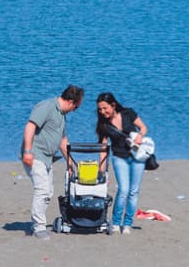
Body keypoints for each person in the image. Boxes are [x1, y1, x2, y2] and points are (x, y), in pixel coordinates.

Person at [21, 84, 84, 240]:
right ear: (71, 101)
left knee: (48, 192)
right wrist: (28, 151)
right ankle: (39, 227)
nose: (75, 110)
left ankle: (36, 223)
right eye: (76, 107)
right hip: (35, 154)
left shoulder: (61, 115)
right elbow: (30, 126)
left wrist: (70, 162)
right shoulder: (47, 106)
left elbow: (62, 140)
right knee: (42, 189)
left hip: (48, 158)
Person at [96, 92, 149, 234]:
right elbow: (103, 147)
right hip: (119, 158)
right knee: (123, 190)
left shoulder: (128, 113)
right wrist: (102, 170)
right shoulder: (103, 124)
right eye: (100, 109)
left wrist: (140, 135)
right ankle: (115, 222)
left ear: (113, 105)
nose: (102, 112)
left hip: (136, 156)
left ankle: (127, 224)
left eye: (105, 108)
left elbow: (143, 127)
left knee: (134, 192)